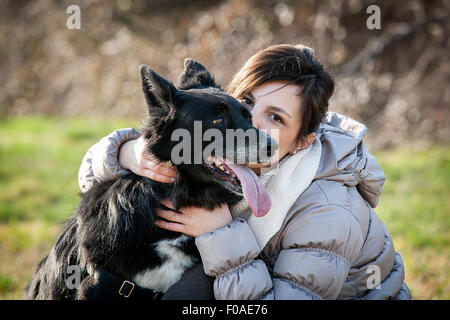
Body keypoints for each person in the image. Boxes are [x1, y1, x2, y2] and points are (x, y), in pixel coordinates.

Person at [78, 44, 411, 300]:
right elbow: (95, 186)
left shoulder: (328, 211)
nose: (251, 125)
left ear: (302, 142)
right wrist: (126, 152)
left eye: (276, 118)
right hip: (246, 279)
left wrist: (221, 234)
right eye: (246, 103)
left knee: (196, 285)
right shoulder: (219, 159)